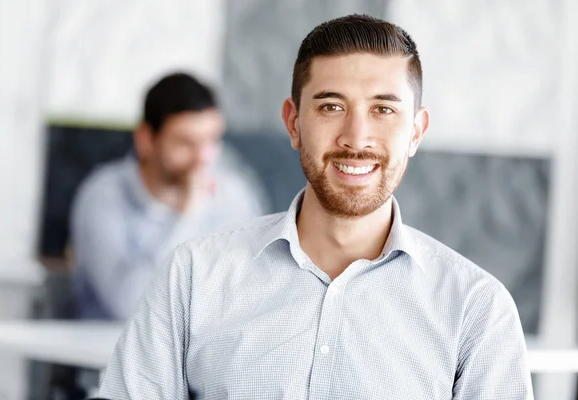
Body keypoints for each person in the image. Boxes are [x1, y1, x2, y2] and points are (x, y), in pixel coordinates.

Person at [98, 15, 533, 399]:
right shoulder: (192, 277)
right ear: (293, 123)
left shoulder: (477, 309)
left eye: (383, 109)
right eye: (331, 106)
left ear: (416, 132)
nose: (356, 137)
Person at [70, 72, 268, 321]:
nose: (203, 159)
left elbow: (255, 295)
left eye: (211, 141)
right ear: (146, 139)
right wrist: (189, 213)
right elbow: (130, 307)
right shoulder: (104, 196)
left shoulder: (234, 197)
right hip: (110, 354)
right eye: (185, 143)